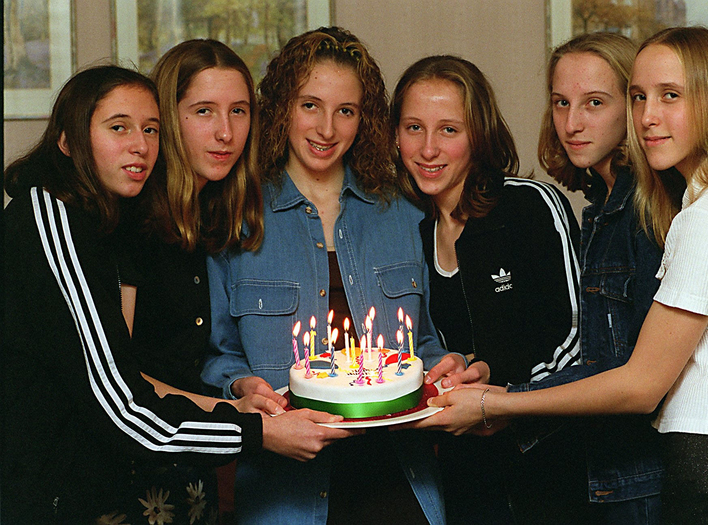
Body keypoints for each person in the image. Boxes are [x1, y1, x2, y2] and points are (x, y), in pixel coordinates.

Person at [422, 27, 708, 524]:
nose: (648, 116)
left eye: (668, 96)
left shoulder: (691, 215)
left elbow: (639, 381)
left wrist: (500, 403)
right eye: (641, 97)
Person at [1, 65, 305, 523]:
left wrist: (236, 407)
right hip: (51, 498)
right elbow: (122, 406)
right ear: (66, 140)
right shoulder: (51, 217)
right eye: (118, 127)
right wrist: (257, 431)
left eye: (150, 130)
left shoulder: (100, 218)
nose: (140, 146)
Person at [201, 27, 466, 525]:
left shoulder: (401, 212)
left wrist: (442, 366)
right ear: (282, 107)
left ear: (363, 119)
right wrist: (240, 387)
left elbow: (424, 337)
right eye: (310, 106)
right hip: (285, 491)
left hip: (396, 479)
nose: (327, 128)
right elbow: (218, 354)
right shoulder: (235, 215)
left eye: (345, 110)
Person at [119, 39, 329, 521]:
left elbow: (198, 359)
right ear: (169, 119)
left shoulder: (216, 217)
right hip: (129, 466)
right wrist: (240, 419)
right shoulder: (132, 221)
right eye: (203, 112)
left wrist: (236, 391)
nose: (225, 132)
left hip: (195, 462)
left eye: (238, 111)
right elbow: (120, 377)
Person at [391, 55, 581, 523]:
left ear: (479, 135)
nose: (429, 149)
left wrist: (501, 396)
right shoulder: (404, 231)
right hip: (459, 474)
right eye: (414, 128)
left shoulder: (530, 207)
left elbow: (580, 338)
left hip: (552, 469)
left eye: (449, 130)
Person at [502, 32, 665, 524]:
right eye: (561, 103)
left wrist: (500, 404)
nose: (572, 123)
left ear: (633, 107)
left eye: (594, 103)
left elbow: (631, 376)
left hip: (644, 478)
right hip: (603, 471)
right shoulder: (599, 211)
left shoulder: (649, 211)